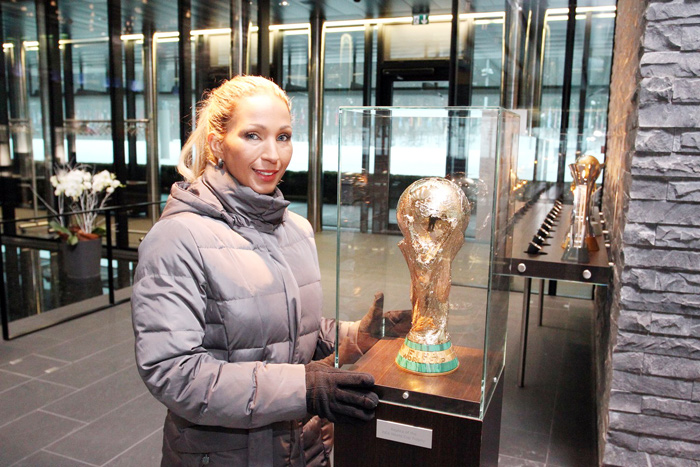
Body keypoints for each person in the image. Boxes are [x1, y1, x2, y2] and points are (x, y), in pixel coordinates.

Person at [131, 75, 395, 466]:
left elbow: (293, 331)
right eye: (253, 136)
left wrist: (358, 336)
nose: (273, 154)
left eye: (284, 136)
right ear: (218, 142)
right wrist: (303, 388)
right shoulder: (176, 238)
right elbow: (174, 372)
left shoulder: (296, 229)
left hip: (304, 449)